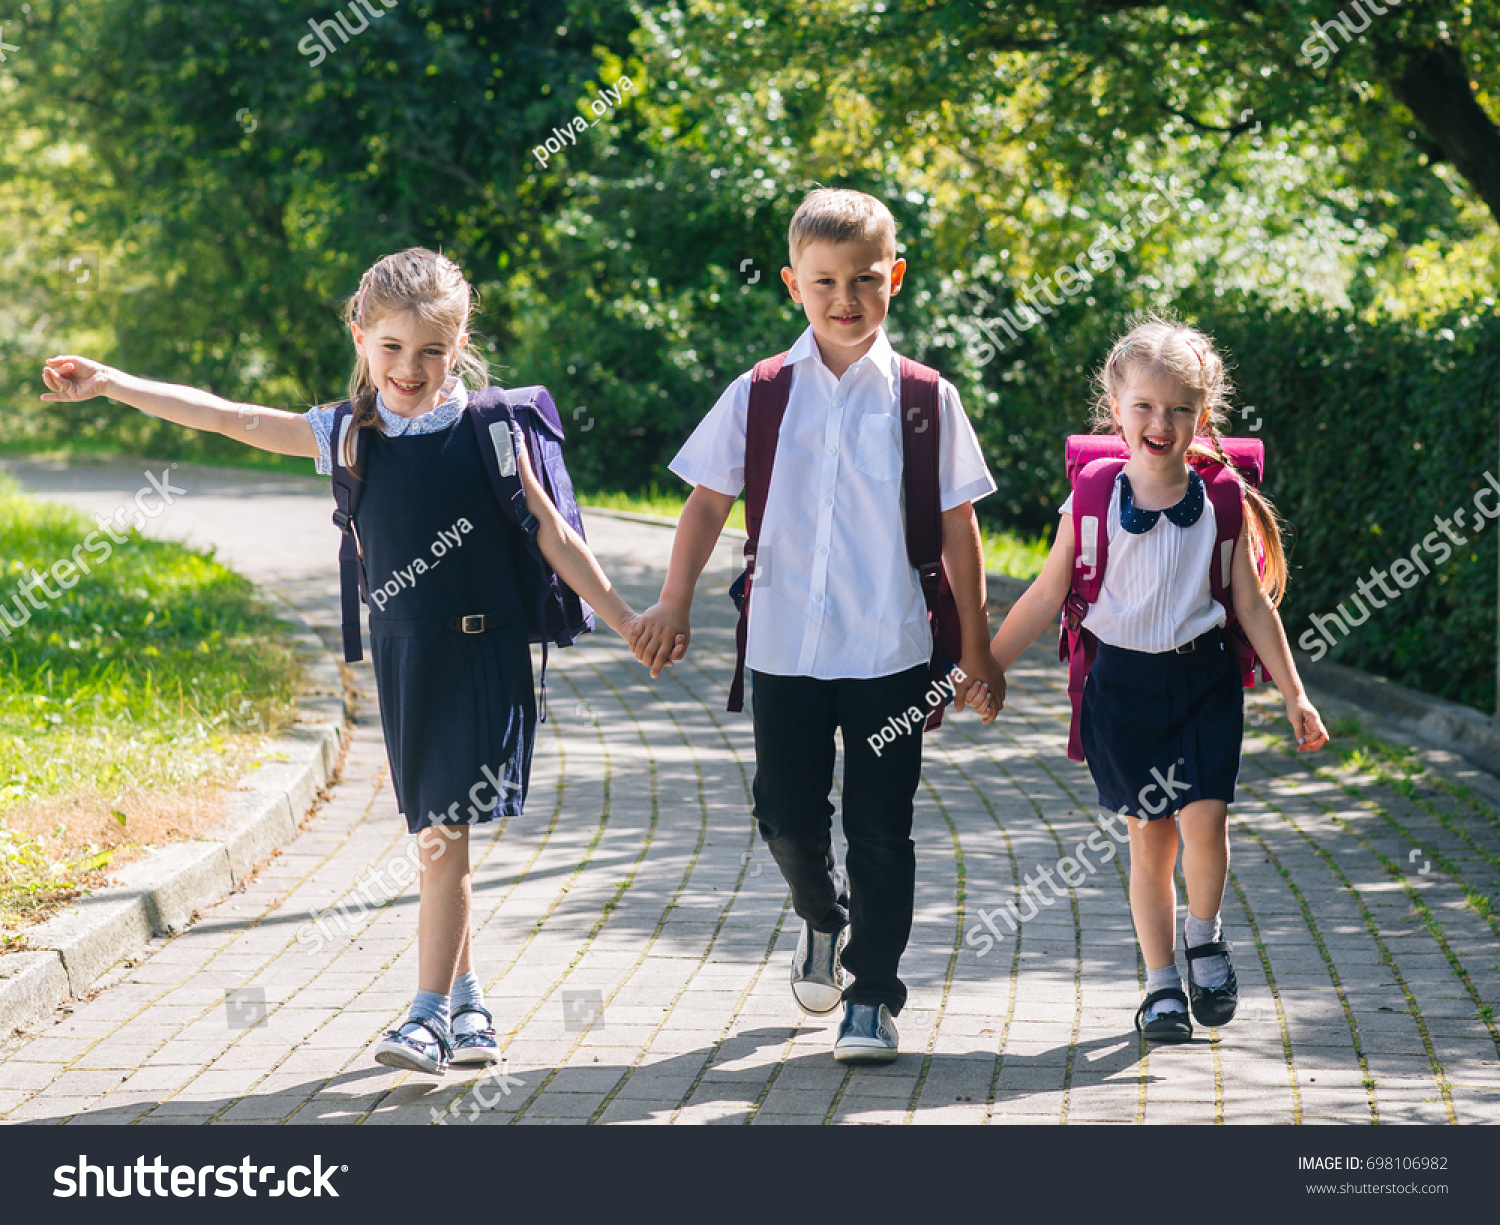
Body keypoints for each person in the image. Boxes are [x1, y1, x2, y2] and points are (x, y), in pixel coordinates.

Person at [39, 247, 666, 1074]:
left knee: (443, 839)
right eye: (394, 347)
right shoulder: (345, 433)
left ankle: (426, 1015)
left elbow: (554, 533)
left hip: (484, 653)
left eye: (433, 350)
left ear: (461, 340)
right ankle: (472, 1003)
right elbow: (226, 415)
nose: (412, 368)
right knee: (442, 833)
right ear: (362, 334)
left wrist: (627, 618)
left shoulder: (488, 428)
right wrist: (116, 381)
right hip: (406, 657)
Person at [631, 188, 1004, 1063]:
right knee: (785, 812)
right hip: (785, 649)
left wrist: (979, 648)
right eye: (825, 281)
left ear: (895, 278)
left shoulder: (925, 398)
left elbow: (960, 528)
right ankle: (821, 917)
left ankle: (872, 995)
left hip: (892, 653)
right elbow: (707, 502)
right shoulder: (762, 392)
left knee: (882, 826)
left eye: (865, 280)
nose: (845, 299)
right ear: (793, 283)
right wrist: (674, 599)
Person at [987, 316, 1329, 1042]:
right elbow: (1047, 593)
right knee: (1153, 837)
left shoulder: (1223, 502)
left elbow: (1252, 607)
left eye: (1179, 409)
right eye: (1144, 406)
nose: (1160, 422)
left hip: (1202, 681)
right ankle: (1161, 984)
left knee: (1206, 819)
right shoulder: (1091, 497)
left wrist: (1295, 691)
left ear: (1202, 416)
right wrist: (988, 662)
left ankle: (1203, 937)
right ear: (1115, 408)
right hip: (1121, 688)